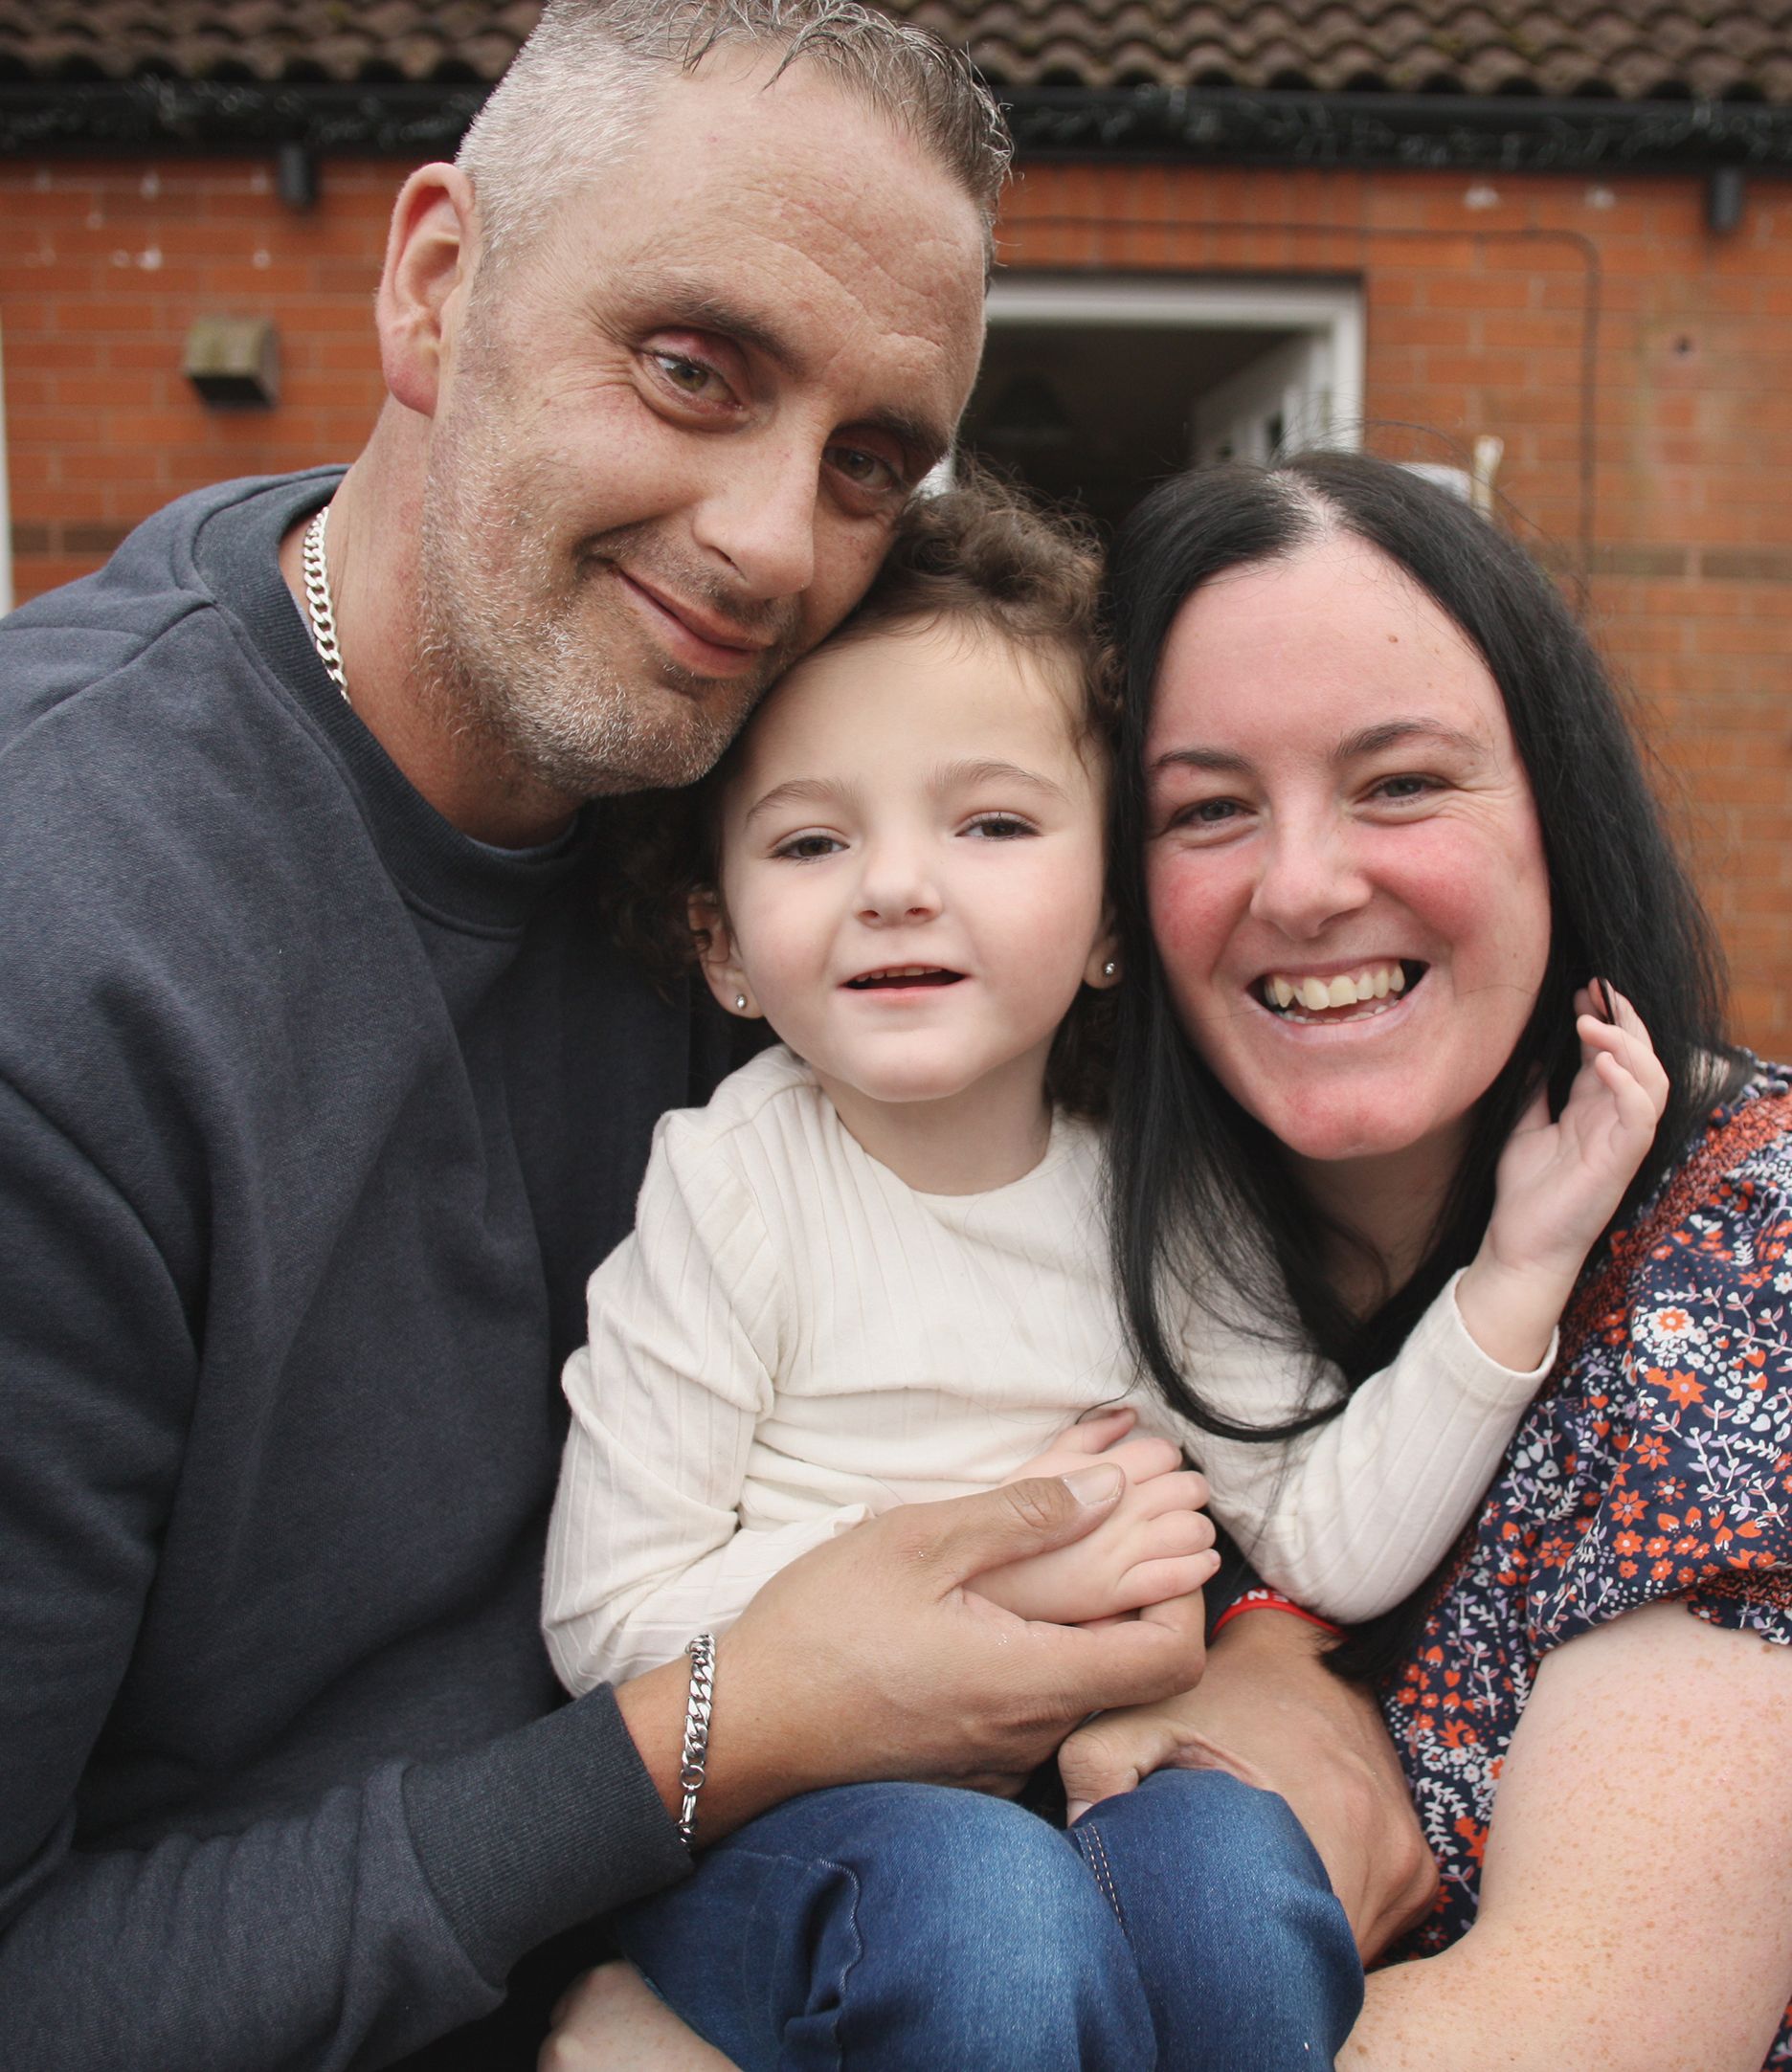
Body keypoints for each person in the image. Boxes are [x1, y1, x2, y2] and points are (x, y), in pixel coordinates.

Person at [0, 8, 1262, 2067]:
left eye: (870, 461)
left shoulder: (772, 821)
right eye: (692, 368)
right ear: (436, 283)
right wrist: (700, 1752)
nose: (775, 544)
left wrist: (1270, 1652)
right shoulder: (61, 947)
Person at [538, 470, 1665, 2071]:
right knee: (993, 1915)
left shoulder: (1150, 1199)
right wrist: (990, 1582)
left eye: (991, 822)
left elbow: (1332, 1533)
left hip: (1076, 1789)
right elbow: (605, 1622)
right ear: (724, 939)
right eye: (811, 839)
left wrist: (1525, 1257)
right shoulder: (735, 1186)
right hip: (780, 1835)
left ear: (1111, 920)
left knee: (1227, 1877)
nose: (899, 884)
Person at [1044, 449, 1792, 2069]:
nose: (1305, 884)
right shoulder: (1059, 1237)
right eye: (1208, 808)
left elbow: (1586, 2029)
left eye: (1399, 783)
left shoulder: (1750, 1256)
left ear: (1557, 813)